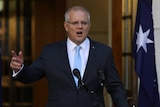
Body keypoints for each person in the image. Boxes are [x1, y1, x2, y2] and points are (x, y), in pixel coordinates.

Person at [10, 6, 129, 107]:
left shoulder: (103, 52)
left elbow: (115, 87)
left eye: (84, 23)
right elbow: (30, 75)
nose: (80, 26)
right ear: (66, 26)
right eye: (75, 23)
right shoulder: (50, 52)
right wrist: (19, 69)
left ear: (89, 26)